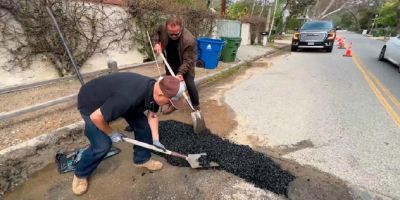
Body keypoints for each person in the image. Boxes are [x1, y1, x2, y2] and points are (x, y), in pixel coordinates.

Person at [72, 72, 186, 195]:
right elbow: (96, 117)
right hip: (91, 102)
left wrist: (155, 139)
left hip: (118, 100)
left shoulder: (155, 89)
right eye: (169, 102)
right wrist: (111, 133)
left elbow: (152, 115)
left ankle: (141, 159)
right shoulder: (128, 97)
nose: (168, 105)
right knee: (102, 145)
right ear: (160, 94)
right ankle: (80, 174)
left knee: (144, 127)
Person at [153, 14, 200, 114]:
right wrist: (157, 43)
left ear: (181, 28)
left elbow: (188, 60)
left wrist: (180, 74)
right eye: (171, 34)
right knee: (170, 85)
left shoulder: (189, 40)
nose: (174, 36)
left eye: (176, 34)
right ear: (166, 28)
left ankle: (195, 106)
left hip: (185, 63)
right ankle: (173, 104)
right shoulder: (163, 28)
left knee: (190, 84)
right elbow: (156, 33)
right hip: (170, 61)